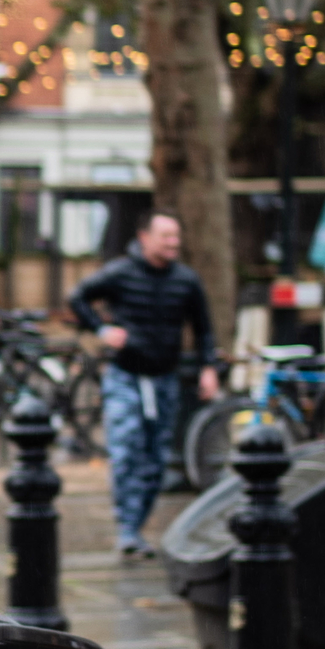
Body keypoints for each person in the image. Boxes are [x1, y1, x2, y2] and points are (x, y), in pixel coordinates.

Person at [68, 211, 221, 558]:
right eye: (166, 236)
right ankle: (127, 529)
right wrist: (102, 330)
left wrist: (208, 369)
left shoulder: (186, 280)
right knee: (126, 451)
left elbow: (204, 329)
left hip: (165, 378)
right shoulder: (120, 273)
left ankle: (137, 526)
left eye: (176, 237)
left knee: (156, 458)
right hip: (125, 377)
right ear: (144, 237)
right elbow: (77, 298)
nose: (173, 243)